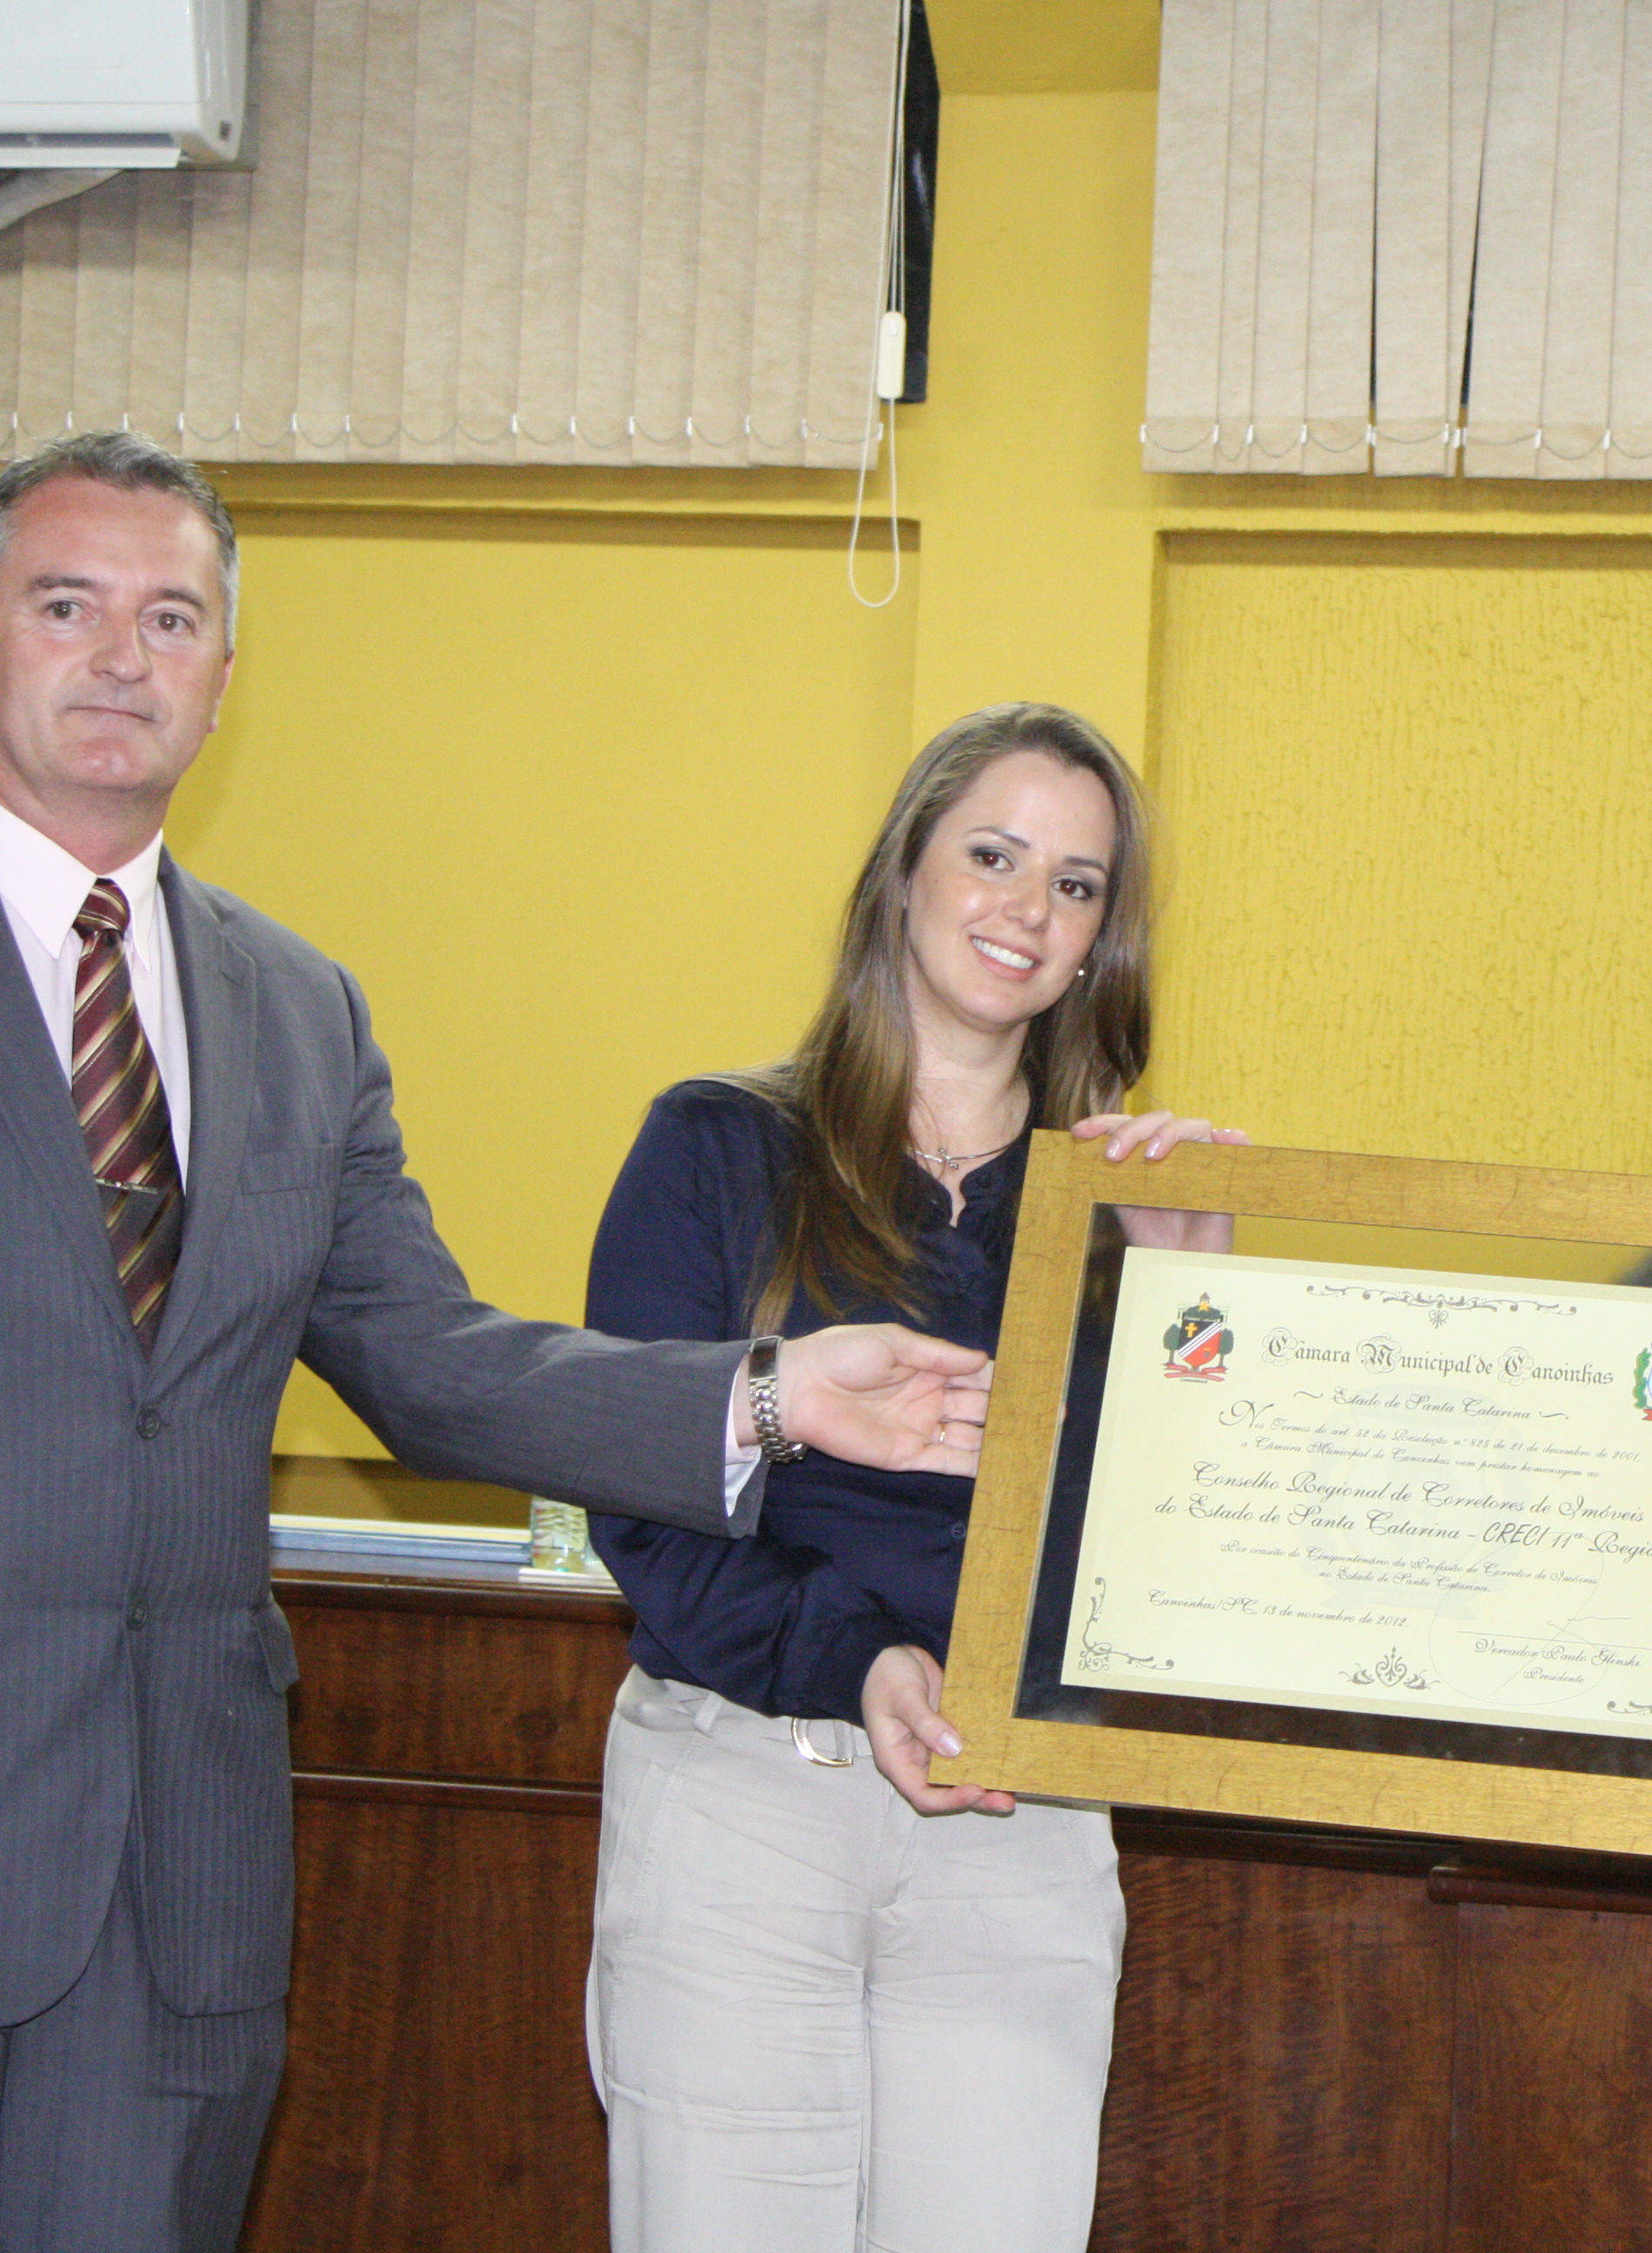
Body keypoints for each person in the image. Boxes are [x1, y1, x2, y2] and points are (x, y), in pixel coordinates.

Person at [0, 432, 992, 2253]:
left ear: (224, 680)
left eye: (171, 617)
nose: (123, 655)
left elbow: (424, 1355)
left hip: (169, 1900)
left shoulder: (297, 1012)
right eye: (68, 605)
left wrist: (766, 1391)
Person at [580, 703, 1239, 2253]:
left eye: (1078, 886)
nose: (1028, 909)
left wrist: (1191, 1313)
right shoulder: (716, 1148)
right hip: (744, 1799)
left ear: (1102, 946)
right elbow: (643, 1503)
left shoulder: (1135, 1207)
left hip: (1017, 1827)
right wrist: (857, 1658)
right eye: (994, 856)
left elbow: (1173, 1563)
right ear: (903, 876)